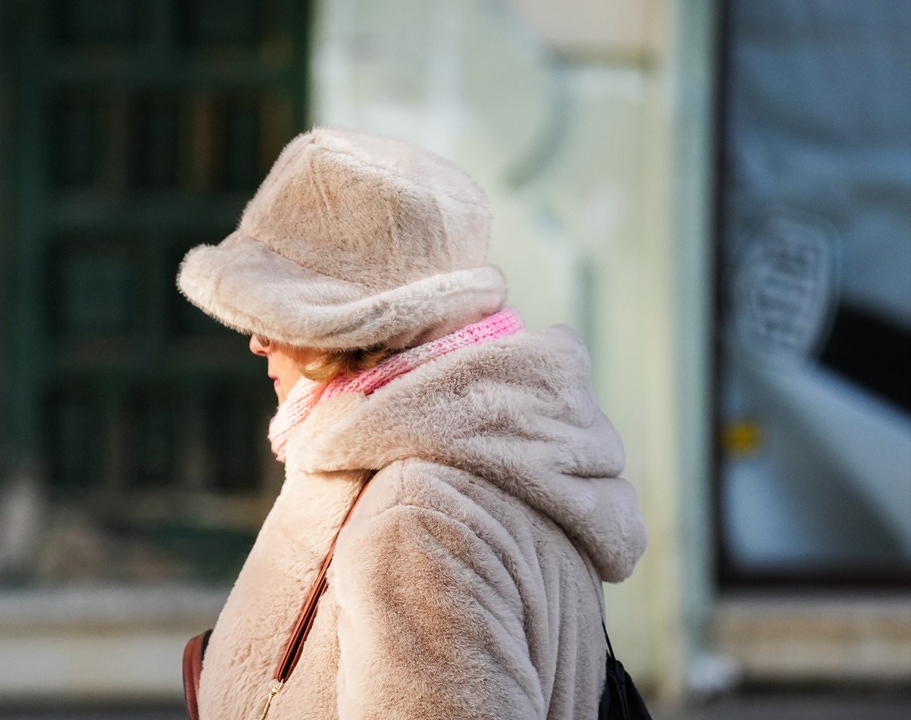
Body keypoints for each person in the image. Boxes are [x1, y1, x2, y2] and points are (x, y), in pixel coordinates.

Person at [176, 128, 647, 719]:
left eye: (278, 312)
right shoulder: (491, 458)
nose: (257, 340)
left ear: (358, 329)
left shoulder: (420, 520)